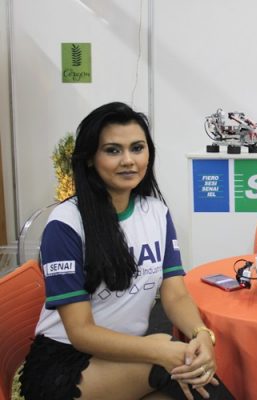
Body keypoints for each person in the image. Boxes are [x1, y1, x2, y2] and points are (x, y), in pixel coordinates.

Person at [19, 102, 234, 400]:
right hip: (65, 362)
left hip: (125, 354)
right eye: (112, 150)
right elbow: (81, 332)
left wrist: (201, 334)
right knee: (183, 370)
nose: (128, 161)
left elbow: (175, 293)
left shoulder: (156, 212)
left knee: (191, 378)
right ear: (90, 158)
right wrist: (157, 349)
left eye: (137, 148)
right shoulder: (66, 224)